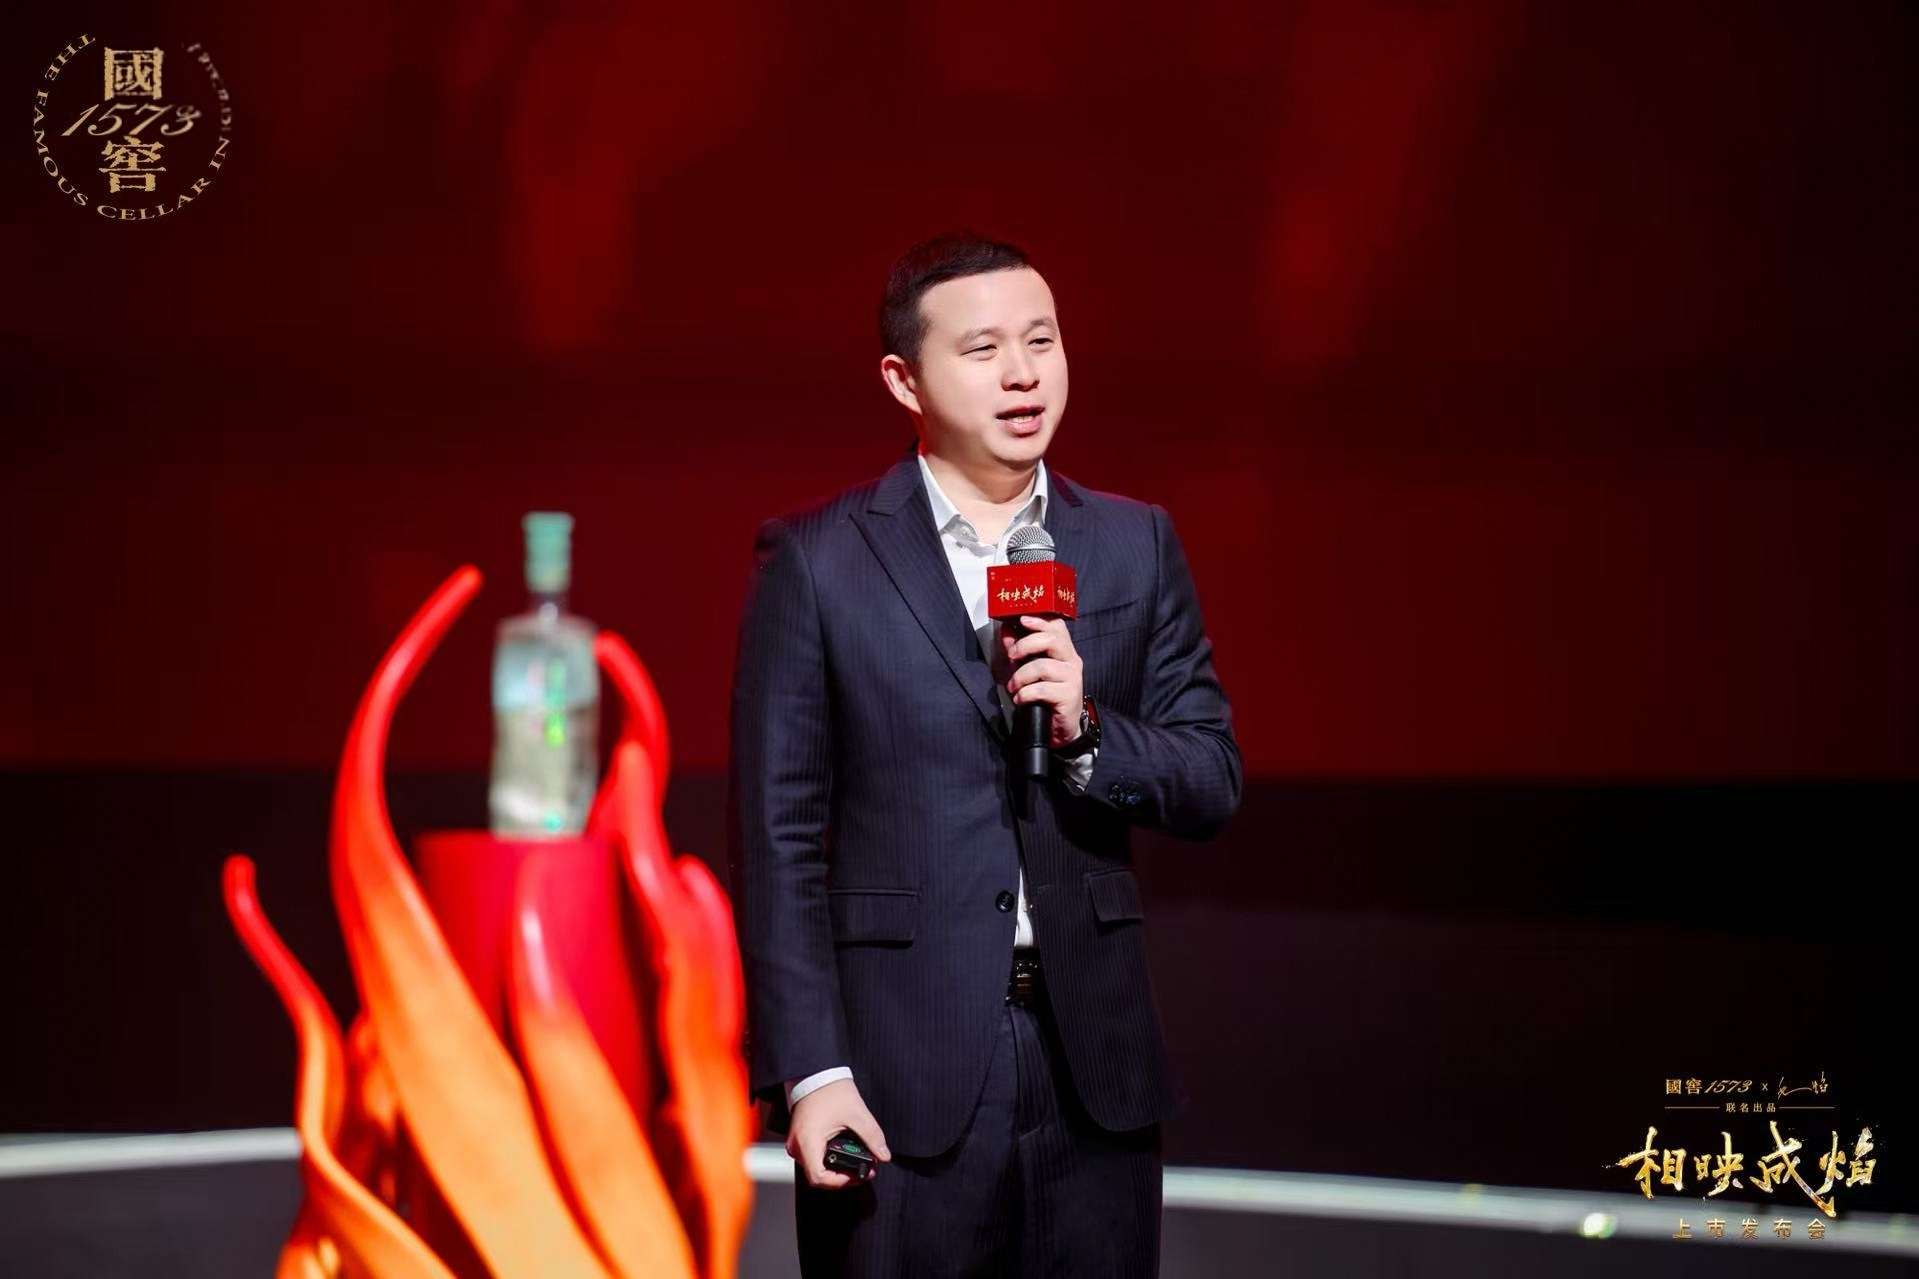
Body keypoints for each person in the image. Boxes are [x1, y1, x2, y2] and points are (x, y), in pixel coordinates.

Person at [729, 231, 1240, 1277]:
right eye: (983, 348)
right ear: (903, 380)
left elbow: (1209, 775)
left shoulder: (1132, 543)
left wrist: (1087, 729)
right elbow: (777, 836)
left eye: (1041, 341)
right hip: (893, 1072)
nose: (1022, 373)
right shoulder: (818, 559)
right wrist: (810, 1071)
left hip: (1091, 1068)